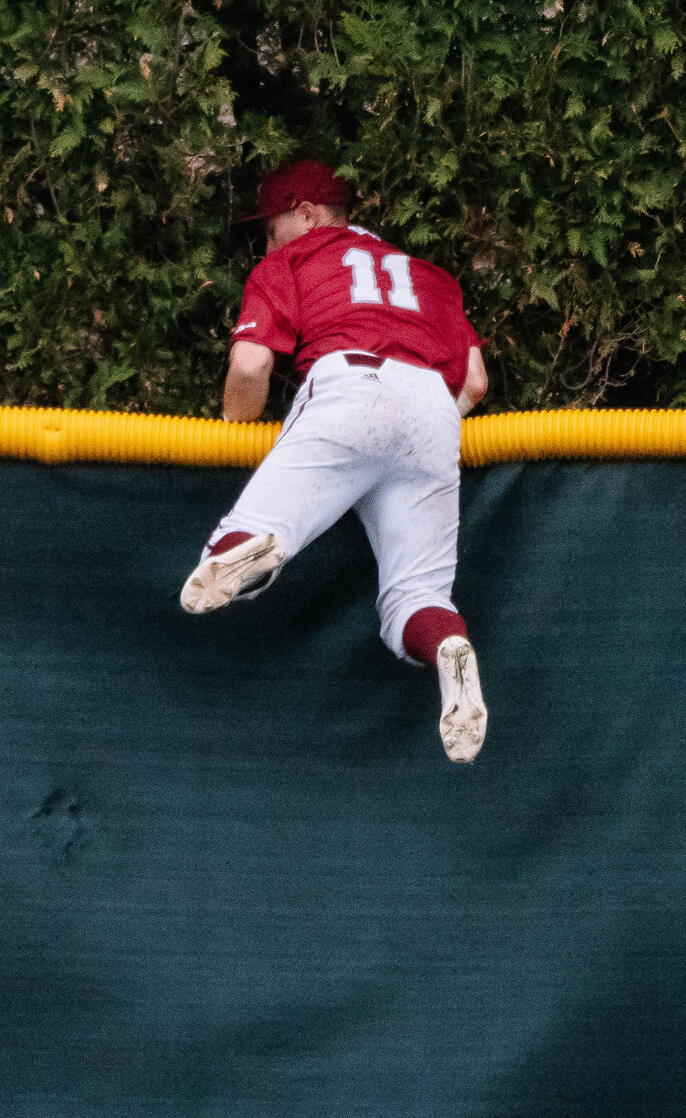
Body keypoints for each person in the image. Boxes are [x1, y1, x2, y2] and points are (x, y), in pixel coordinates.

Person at [179, 159, 492, 764]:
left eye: (271, 227)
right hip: (434, 410)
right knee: (416, 598)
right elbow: (475, 382)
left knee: (240, 539)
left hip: (349, 384)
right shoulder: (429, 276)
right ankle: (451, 645)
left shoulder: (291, 260)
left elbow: (249, 368)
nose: (266, 242)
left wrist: (230, 437)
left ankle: (262, 542)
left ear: (306, 213)